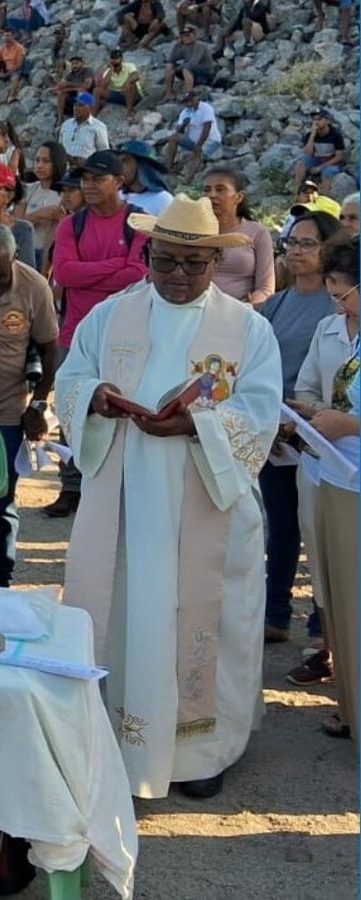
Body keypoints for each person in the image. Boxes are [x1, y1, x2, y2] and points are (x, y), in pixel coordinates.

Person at [59, 195, 281, 800]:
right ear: (148, 255)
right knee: (129, 614)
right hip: (126, 502)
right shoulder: (110, 316)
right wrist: (97, 397)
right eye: (165, 262)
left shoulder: (247, 328)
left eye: (192, 264)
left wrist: (197, 426)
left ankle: (201, 749)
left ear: (214, 261)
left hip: (205, 498)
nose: (177, 276)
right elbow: (71, 377)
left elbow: (260, 412)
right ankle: (118, 738)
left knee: (206, 616)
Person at [44, 150, 149, 518]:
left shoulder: (137, 222)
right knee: (73, 409)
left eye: (96, 178)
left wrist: (94, 271)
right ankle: (71, 487)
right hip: (76, 333)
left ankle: (117, 486)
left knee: (123, 408)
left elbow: (137, 274)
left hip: (125, 335)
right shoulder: (70, 225)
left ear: (119, 182)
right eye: (84, 178)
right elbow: (66, 274)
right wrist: (114, 268)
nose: (87, 185)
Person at [260, 211, 342, 653]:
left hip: (323, 433)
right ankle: (275, 615)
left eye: (307, 243)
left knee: (319, 532)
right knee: (280, 527)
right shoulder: (278, 302)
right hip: (275, 432)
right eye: (292, 242)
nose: (296, 250)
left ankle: (321, 625)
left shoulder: (340, 305)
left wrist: (303, 423)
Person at [286, 238, 359, 711]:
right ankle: (347, 702)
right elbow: (310, 384)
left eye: (345, 293)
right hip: (327, 471)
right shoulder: (330, 328)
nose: (338, 303)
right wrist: (311, 413)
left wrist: (349, 423)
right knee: (334, 586)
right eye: (332, 293)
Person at [0, 222, 60, 587]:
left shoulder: (33, 287)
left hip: (7, 413)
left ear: (16, 259)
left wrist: (38, 404)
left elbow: (50, 348)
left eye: (0, 275)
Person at [202, 167, 273, 306]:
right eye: (207, 190)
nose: (211, 195)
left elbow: (266, 289)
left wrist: (245, 309)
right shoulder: (194, 230)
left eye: (220, 189)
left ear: (239, 197)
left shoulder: (257, 232)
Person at [17, 141, 71, 266]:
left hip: (50, 254)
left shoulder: (65, 194)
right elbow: (16, 225)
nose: (40, 165)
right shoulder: (28, 189)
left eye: (46, 161)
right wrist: (39, 215)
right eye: (37, 160)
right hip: (24, 252)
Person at [162, 90, 224, 180]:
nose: (189, 103)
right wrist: (184, 124)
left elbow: (207, 127)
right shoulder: (185, 112)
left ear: (196, 98)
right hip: (193, 140)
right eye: (186, 101)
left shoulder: (206, 108)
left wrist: (199, 144)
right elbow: (179, 131)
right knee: (173, 138)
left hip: (210, 140)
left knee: (197, 152)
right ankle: (169, 166)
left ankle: (189, 178)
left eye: (191, 100)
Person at [292, 109, 348, 194]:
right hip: (317, 160)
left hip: (332, 162)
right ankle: (297, 190)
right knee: (301, 162)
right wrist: (312, 135)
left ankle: (324, 197)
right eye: (314, 120)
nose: (316, 122)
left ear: (328, 121)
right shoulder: (311, 134)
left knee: (328, 172)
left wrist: (321, 167)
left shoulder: (335, 134)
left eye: (320, 119)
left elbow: (339, 156)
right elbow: (308, 153)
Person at [117, 141, 175, 217]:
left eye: (125, 161)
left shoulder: (163, 200)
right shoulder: (117, 196)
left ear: (142, 166)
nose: (119, 167)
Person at [160, 26, 217, 101]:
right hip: (192, 72)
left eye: (188, 35)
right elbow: (171, 59)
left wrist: (176, 70)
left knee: (186, 68)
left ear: (194, 35)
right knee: (169, 66)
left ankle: (188, 94)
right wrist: (177, 45)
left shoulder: (200, 45)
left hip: (205, 75)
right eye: (183, 36)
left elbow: (193, 62)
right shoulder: (184, 47)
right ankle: (169, 93)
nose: (186, 37)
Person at [59, 92, 111, 165]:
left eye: (80, 105)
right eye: (75, 105)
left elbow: (104, 153)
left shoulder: (98, 127)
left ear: (90, 108)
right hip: (64, 168)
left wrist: (88, 162)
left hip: (84, 170)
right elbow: (60, 148)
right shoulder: (66, 124)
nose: (76, 108)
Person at [94, 48, 144, 122]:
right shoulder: (108, 71)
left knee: (130, 85)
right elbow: (103, 86)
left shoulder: (129, 66)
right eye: (113, 58)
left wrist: (126, 83)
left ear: (121, 59)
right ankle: (94, 113)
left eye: (116, 58)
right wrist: (111, 70)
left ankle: (129, 112)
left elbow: (136, 76)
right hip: (119, 94)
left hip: (133, 94)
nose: (115, 61)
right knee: (97, 91)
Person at [55, 54, 98, 119]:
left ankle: (87, 116)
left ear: (82, 63)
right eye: (73, 64)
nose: (75, 65)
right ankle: (59, 119)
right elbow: (60, 87)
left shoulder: (87, 71)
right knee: (62, 94)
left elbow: (87, 85)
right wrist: (71, 87)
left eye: (77, 63)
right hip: (74, 99)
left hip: (88, 98)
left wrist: (69, 84)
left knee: (81, 91)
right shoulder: (70, 75)